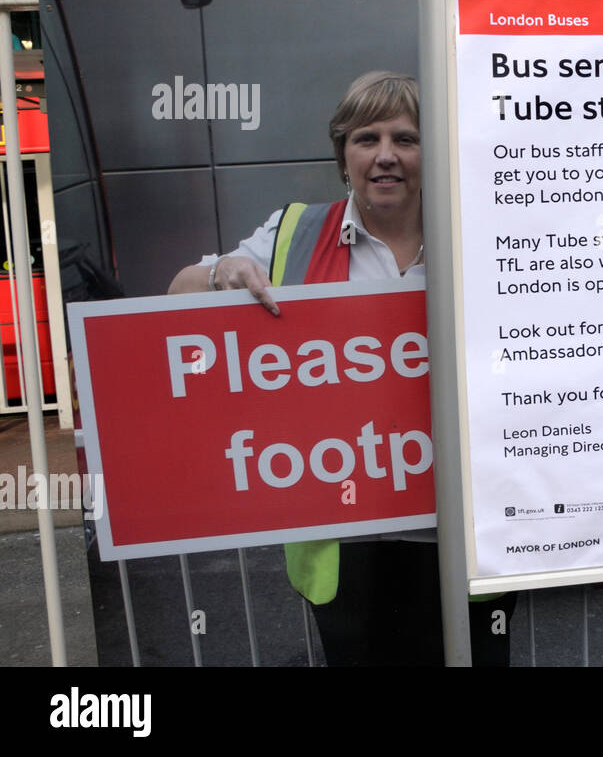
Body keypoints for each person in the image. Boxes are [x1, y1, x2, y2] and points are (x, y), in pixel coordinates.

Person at [169, 70, 514, 666]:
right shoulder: (292, 233)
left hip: (465, 532)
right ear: (343, 153)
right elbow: (178, 295)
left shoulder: (483, 232)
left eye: (406, 139)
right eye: (366, 138)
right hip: (343, 538)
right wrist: (224, 273)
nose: (386, 156)